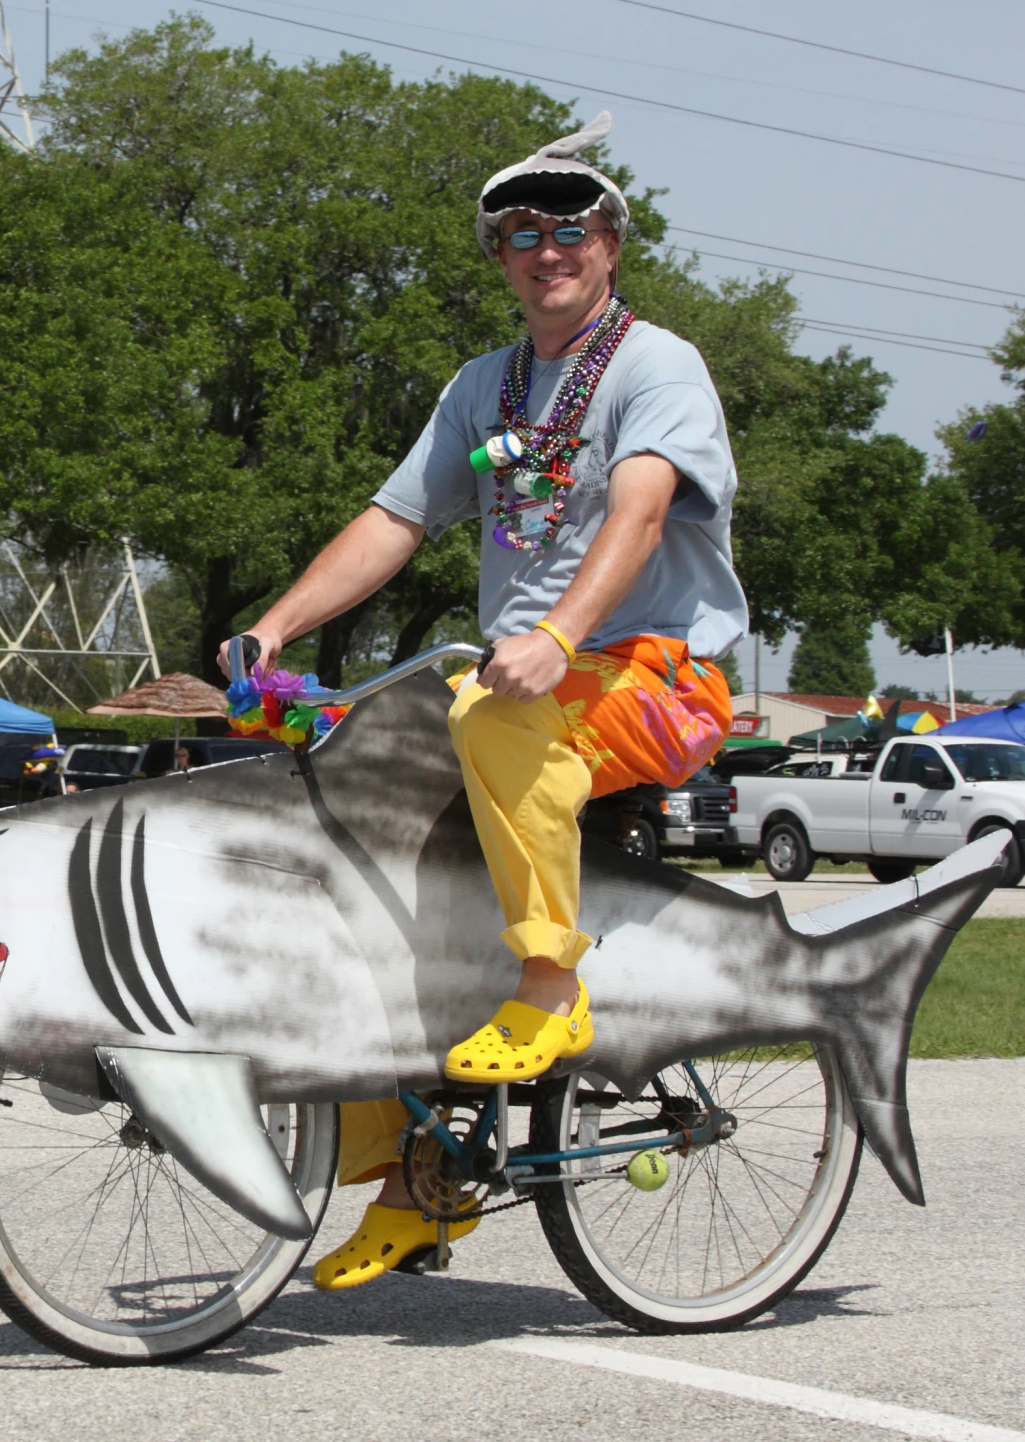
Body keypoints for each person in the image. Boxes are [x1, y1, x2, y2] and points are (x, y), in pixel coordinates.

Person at [225, 113, 744, 1291]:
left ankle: (551, 989)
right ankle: (419, 1168)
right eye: (518, 230)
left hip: (656, 675)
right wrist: (272, 629)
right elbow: (395, 521)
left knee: (488, 711)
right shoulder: (483, 387)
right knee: (362, 813)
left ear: (610, 242)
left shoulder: (655, 365)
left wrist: (561, 636)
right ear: (498, 256)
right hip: (528, 681)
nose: (544, 246)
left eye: (569, 225)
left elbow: (642, 510)